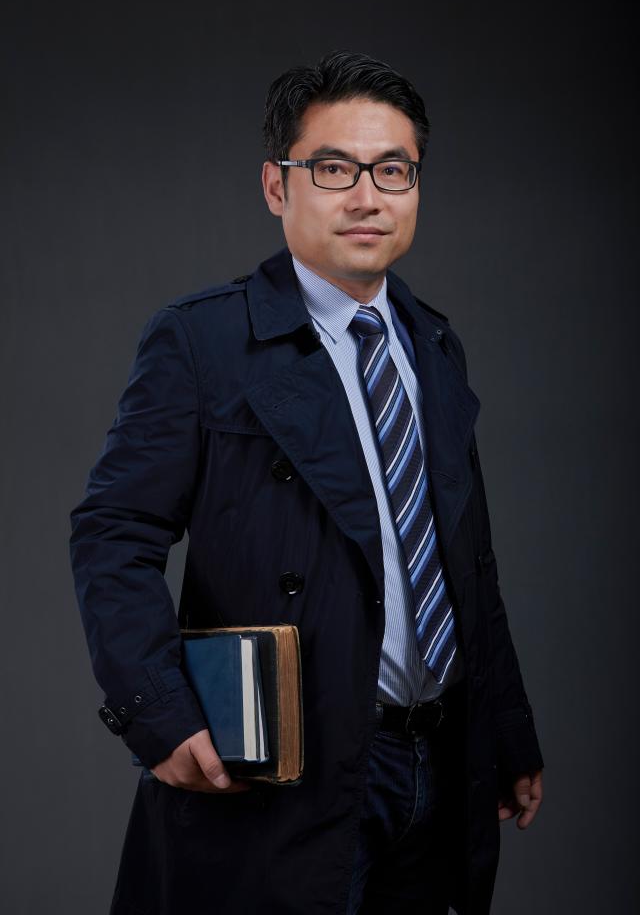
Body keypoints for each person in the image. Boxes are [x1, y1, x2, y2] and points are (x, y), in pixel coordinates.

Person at [69, 50, 544, 915]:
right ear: (276, 186)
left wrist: (507, 730)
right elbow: (113, 534)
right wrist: (160, 713)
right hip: (291, 764)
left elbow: (468, 564)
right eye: (333, 168)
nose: (367, 196)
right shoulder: (203, 341)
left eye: (393, 169)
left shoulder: (435, 345)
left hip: (438, 759)